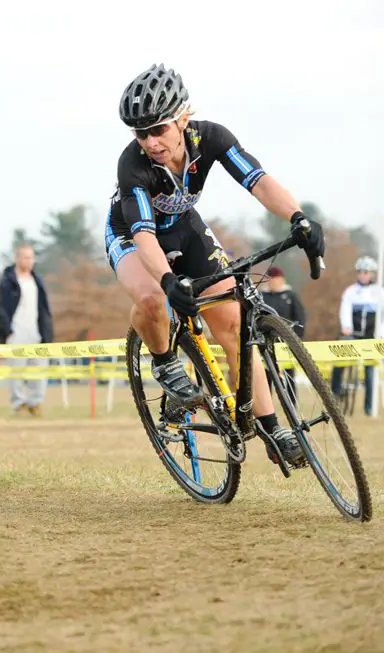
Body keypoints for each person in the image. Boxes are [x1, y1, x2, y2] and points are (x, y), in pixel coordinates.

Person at [105, 64, 326, 467]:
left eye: (159, 130)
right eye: (141, 133)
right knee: (154, 296)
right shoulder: (133, 165)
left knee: (233, 324)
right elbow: (142, 233)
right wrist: (170, 279)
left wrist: (298, 218)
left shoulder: (211, 138)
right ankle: (165, 363)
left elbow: (257, 180)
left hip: (185, 230)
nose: (150, 142)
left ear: (183, 117)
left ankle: (271, 425)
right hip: (133, 236)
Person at [0, 243, 54, 416]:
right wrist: (7, 331)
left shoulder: (37, 281)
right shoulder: (8, 282)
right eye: (25, 257)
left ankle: (36, 403)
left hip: (36, 333)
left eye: (31, 257)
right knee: (16, 371)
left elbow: (44, 309)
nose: (28, 260)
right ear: (17, 258)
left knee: (39, 370)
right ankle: (18, 404)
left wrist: (47, 332)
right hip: (16, 333)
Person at [331, 256, 384, 415]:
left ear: (372, 273)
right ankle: (334, 395)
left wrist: (380, 333)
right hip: (353, 334)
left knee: (370, 372)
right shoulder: (350, 291)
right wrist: (346, 327)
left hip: (371, 336)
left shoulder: (379, 292)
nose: (362, 274)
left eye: (366, 272)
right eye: (360, 271)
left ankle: (369, 407)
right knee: (339, 363)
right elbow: (345, 310)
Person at [260, 266, 304, 397]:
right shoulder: (262, 296)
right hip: (266, 342)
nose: (275, 282)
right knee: (265, 376)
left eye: (277, 280)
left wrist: (296, 338)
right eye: (272, 280)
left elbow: (300, 317)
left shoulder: (291, 295)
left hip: (286, 342)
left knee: (289, 376)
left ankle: (292, 406)